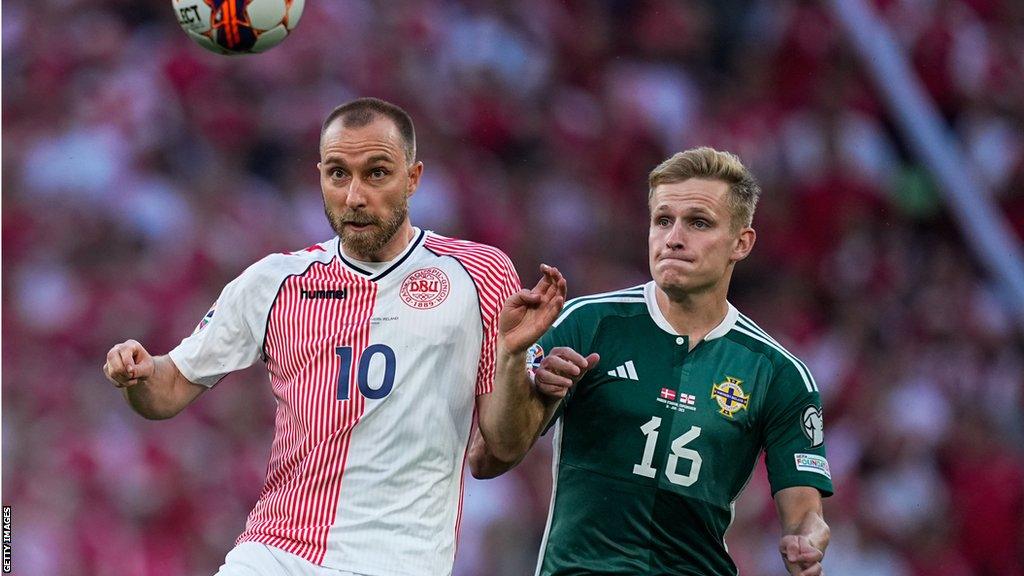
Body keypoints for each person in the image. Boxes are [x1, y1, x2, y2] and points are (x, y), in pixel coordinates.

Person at [102, 97, 567, 576]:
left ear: (413, 177)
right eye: (338, 174)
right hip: (275, 552)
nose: (355, 196)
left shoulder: (478, 273)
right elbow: (169, 388)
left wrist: (511, 358)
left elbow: (503, 448)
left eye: (377, 173)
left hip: (400, 562)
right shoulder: (275, 280)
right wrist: (139, 373)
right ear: (320, 176)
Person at [481, 147, 833, 576]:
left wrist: (806, 539)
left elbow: (804, 514)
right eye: (663, 220)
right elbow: (492, 456)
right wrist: (515, 362)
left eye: (698, 222)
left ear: (741, 242)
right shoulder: (589, 323)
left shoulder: (778, 373)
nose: (674, 237)